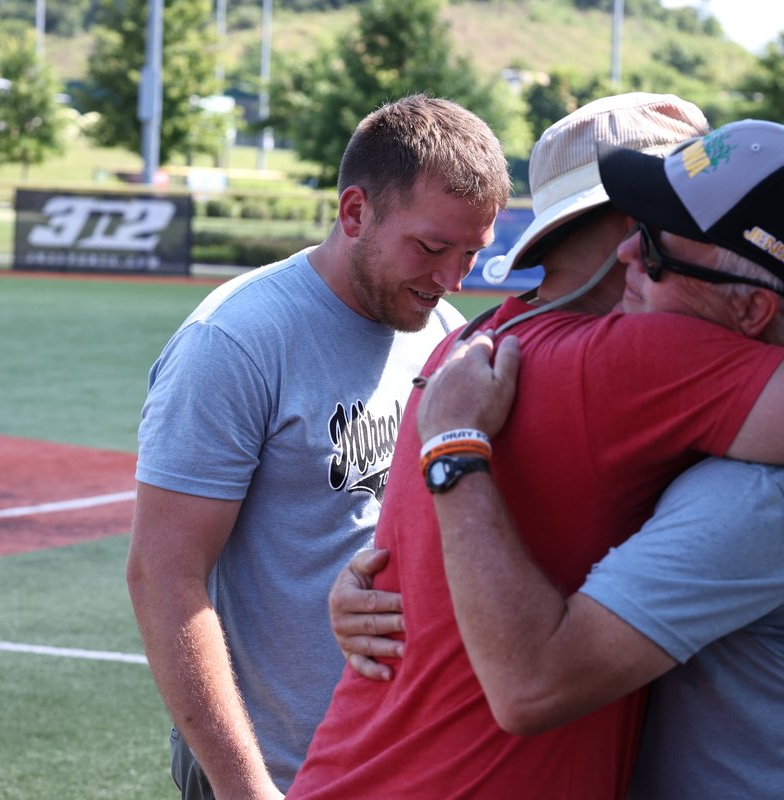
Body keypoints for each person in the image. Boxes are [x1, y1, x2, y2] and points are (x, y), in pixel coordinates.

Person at [290, 111, 784, 798]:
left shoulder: (476, 341)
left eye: (658, 237)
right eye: (644, 224)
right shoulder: (627, 362)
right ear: (614, 227)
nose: (636, 253)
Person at [125, 94, 511, 800]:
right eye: (432, 249)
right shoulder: (235, 341)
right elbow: (163, 575)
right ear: (355, 212)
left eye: (472, 253)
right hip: (277, 770)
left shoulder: (441, 331)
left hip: (399, 756)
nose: (452, 278)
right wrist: (245, 787)